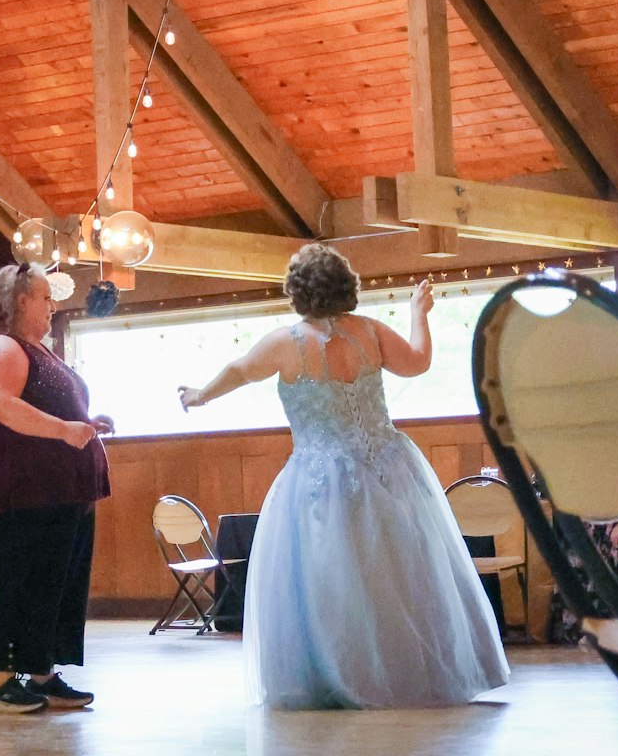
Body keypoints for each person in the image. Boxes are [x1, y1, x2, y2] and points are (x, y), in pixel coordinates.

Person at [177, 244, 508, 710]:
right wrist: (419, 312)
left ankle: (342, 674)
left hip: (319, 478)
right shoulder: (370, 332)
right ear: (346, 285)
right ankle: (410, 673)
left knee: (332, 582)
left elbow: (238, 370)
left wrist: (200, 395)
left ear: (297, 292)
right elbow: (417, 361)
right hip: (389, 469)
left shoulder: (283, 343)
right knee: (401, 575)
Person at [0, 263, 113, 715]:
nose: (53, 306)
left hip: (60, 493)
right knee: (20, 583)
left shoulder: (36, 350)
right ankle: (3, 681)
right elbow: (4, 406)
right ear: (19, 299)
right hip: (23, 492)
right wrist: (65, 430)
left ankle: (43, 672)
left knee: (56, 586)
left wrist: (84, 425)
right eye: (45, 297)